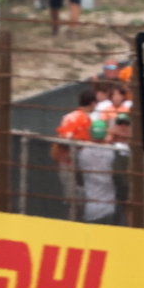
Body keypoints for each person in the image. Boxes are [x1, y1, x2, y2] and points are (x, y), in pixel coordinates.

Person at [52, 88, 99, 219]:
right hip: (74, 163)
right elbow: (85, 143)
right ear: (92, 103)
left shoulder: (67, 116)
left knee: (70, 199)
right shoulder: (85, 119)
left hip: (62, 161)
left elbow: (61, 136)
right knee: (78, 202)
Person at [74, 109, 123, 225]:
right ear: (105, 134)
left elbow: (79, 179)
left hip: (91, 208)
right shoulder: (112, 152)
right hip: (109, 207)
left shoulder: (83, 153)